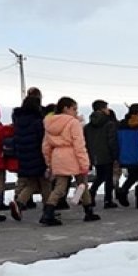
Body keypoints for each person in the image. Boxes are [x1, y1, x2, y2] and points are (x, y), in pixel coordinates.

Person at [42, 96, 97, 225]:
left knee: (59, 187)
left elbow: (46, 146)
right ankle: (88, 210)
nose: (76, 112)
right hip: (73, 156)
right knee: (82, 184)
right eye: (74, 109)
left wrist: (49, 162)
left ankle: (48, 211)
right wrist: (85, 163)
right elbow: (79, 144)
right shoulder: (73, 123)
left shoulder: (49, 124)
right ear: (66, 108)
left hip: (57, 156)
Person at [12, 93, 51, 218]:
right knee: (45, 183)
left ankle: (19, 202)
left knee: (32, 183)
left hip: (24, 157)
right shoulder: (38, 121)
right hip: (38, 156)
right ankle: (48, 209)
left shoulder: (18, 122)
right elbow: (43, 140)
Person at [83, 99, 119, 209]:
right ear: (102, 109)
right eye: (106, 108)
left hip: (94, 155)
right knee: (108, 178)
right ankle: (108, 200)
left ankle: (92, 192)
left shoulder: (88, 126)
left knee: (100, 176)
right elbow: (111, 141)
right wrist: (115, 155)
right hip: (107, 154)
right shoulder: (109, 124)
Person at [115, 103, 138, 209]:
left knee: (132, 176)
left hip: (125, 156)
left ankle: (123, 190)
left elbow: (118, 141)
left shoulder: (121, 125)